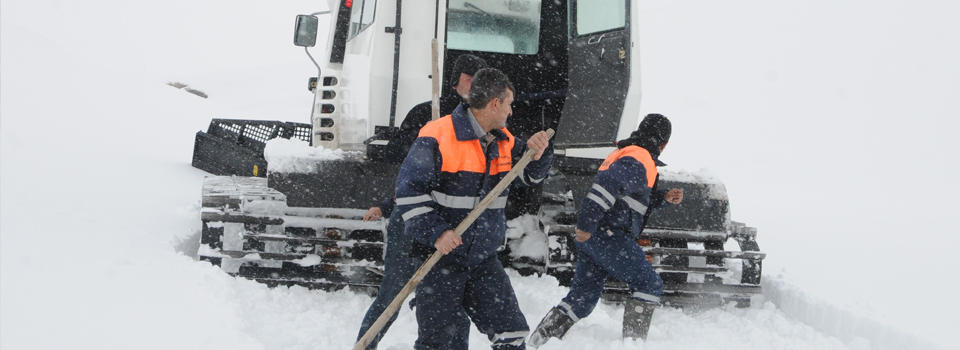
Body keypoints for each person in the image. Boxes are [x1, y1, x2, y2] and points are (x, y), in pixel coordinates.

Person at [395, 68, 553, 350]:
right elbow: (409, 192)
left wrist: (539, 154)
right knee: (440, 343)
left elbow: (529, 176)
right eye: (509, 104)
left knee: (511, 335)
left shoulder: (504, 139)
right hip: (440, 259)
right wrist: (437, 232)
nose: (511, 112)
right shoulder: (438, 135)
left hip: (481, 259)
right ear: (495, 104)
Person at [355, 54, 488, 350]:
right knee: (394, 295)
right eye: (470, 78)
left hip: (450, 227)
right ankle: (364, 345)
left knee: (451, 305)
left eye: (481, 80)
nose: (476, 85)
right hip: (413, 222)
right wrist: (426, 136)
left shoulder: (481, 125)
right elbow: (401, 167)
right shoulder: (426, 113)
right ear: (455, 82)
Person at [527, 114, 684, 348]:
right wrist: (586, 225)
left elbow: (631, 199)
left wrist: (663, 198)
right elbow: (605, 187)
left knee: (582, 300)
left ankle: (538, 341)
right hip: (610, 236)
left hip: (596, 238)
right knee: (649, 285)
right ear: (664, 143)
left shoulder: (631, 153)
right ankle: (634, 344)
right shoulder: (639, 158)